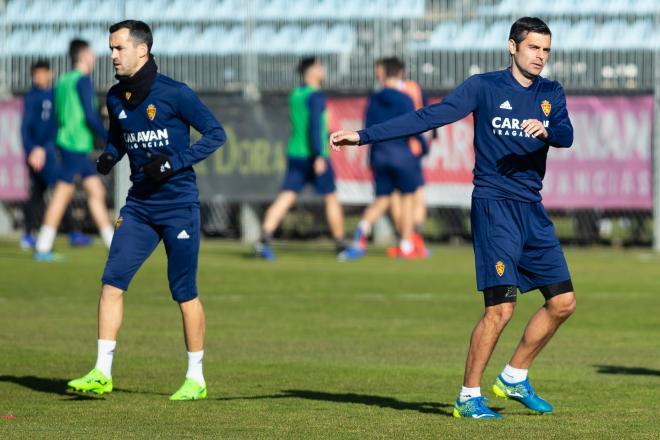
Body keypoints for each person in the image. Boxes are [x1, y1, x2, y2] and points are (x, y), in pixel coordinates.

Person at [330, 17, 576, 419]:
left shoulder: (551, 91)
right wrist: (363, 135)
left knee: (563, 302)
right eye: (533, 48)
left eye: (546, 50)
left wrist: (546, 129)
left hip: (532, 209)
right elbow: (430, 117)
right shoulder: (484, 87)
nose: (540, 57)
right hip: (494, 207)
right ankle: (468, 396)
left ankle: (514, 376)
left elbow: (566, 134)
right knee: (501, 309)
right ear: (512, 47)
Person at [67, 20, 227, 401]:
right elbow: (119, 137)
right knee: (111, 283)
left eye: (119, 48)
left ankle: (196, 378)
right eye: (110, 49)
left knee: (184, 292)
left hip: (177, 206)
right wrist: (109, 155)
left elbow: (216, 134)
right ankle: (102, 372)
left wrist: (173, 164)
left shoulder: (175, 93)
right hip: (139, 206)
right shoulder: (114, 96)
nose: (112, 56)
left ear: (142, 50)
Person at [255, 57, 345, 261]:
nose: (323, 69)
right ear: (311, 71)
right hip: (314, 154)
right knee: (331, 197)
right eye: (320, 66)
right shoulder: (315, 96)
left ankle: (264, 238)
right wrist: (319, 155)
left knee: (287, 195)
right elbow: (315, 126)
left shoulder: (296, 94)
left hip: (295, 151)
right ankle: (341, 245)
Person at [33, 39, 114, 260]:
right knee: (63, 193)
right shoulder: (83, 80)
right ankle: (42, 246)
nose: (96, 58)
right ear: (84, 55)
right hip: (75, 145)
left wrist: (42, 144)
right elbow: (89, 115)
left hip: (68, 144)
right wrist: (109, 136)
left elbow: (55, 118)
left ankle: (113, 244)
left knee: (96, 191)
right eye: (92, 53)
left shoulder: (62, 81)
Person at [339, 58, 426, 261]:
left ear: (383, 74)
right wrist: (421, 146)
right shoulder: (405, 98)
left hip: (379, 154)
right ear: (400, 73)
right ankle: (405, 244)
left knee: (382, 199)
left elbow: (368, 127)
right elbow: (413, 125)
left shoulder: (375, 98)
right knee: (407, 198)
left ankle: (361, 233)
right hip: (403, 154)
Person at [20, 60, 91, 250]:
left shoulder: (55, 94)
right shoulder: (31, 97)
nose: (40, 77)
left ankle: (71, 232)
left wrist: (46, 148)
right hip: (34, 154)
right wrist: (31, 150)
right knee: (43, 192)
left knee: (57, 189)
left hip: (49, 152)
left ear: (50, 74)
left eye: (43, 73)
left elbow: (57, 124)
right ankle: (31, 234)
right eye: (37, 74)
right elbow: (25, 128)